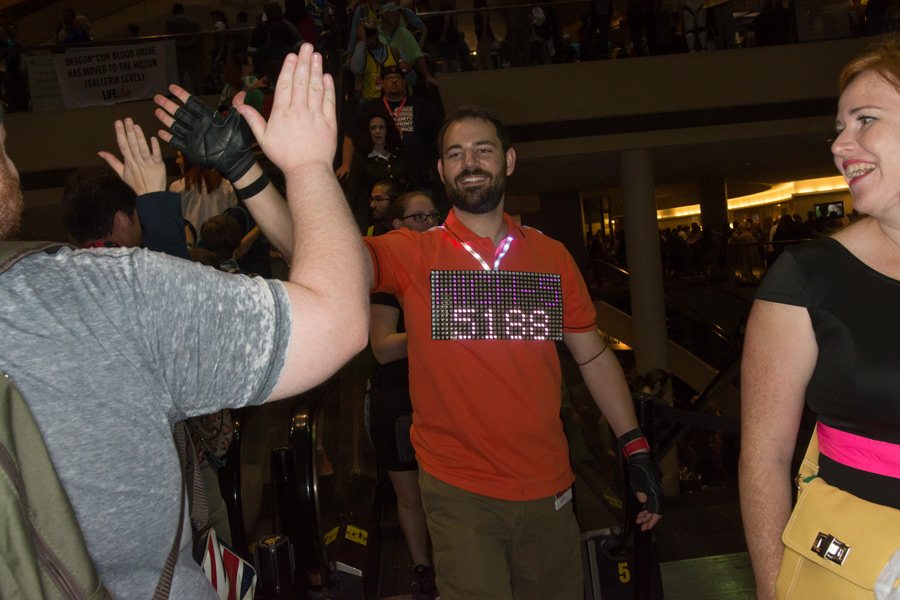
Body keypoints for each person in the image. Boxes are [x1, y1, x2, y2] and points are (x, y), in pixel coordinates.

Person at [0, 44, 368, 598]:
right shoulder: (95, 295)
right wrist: (304, 165)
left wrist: (229, 180)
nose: (12, 163)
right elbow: (341, 299)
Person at [363, 106, 663, 598]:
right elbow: (328, 255)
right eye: (455, 154)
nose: (470, 162)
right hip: (460, 493)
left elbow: (592, 356)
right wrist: (263, 179)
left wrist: (635, 448)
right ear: (441, 171)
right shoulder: (414, 253)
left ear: (508, 161)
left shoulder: (550, 255)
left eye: (483, 150)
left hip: (551, 489)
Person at [740, 35, 900, 600]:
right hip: (852, 570)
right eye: (840, 126)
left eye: (864, 120)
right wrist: (770, 590)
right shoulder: (806, 278)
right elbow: (765, 454)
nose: (839, 145)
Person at [367, 190, 441, 600]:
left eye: (433, 215)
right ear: (396, 227)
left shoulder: (447, 267)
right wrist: (437, 330)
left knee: (447, 494)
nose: (429, 223)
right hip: (399, 400)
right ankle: (423, 571)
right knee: (413, 499)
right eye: (418, 218)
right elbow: (381, 346)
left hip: (441, 393)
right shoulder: (386, 277)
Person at [345, 108, 414, 228]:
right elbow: (352, 192)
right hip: (379, 215)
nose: (377, 131)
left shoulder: (401, 153)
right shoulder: (362, 158)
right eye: (373, 128)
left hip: (404, 211)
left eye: (381, 127)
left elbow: (414, 181)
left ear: (388, 130)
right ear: (368, 131)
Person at [170, 151, 239, 234]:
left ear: (189, 159)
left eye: (179, 157)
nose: (177, 161)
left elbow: (172, 221)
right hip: (219, 241)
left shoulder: (177, 187)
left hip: (190, 242)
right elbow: (233, 215)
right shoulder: (225, 185)